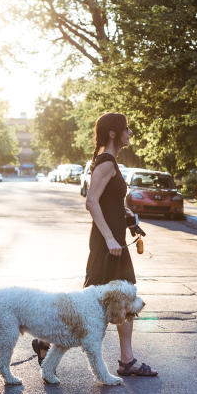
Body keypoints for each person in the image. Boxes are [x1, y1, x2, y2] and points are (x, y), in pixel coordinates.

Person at [33, 112, 157, 377]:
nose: (130, 133)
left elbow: (108, 202)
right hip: (107, 245)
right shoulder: (106, 163)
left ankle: (126, 359)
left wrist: (127, 218)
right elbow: (91, 202)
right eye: (126, 129)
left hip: (114, 242)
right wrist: (111, 238)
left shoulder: (108, 163)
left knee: (115, 296)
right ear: (113, 133)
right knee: (105, 297)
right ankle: (48, 341)